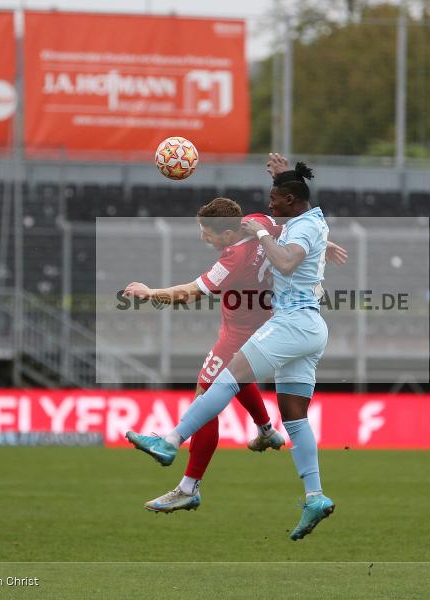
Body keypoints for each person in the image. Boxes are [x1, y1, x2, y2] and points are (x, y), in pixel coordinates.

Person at [127, 160, 335, 540]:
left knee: (219, 384)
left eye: (206, 234)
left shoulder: (240, 252)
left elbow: (193, 292)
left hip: (282, 325)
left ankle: (171, 443)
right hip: (307, 327)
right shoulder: (289, 220)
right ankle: (314, 495)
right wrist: (284, 187)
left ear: (223, 234)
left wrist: (147, 293)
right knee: (295, 417)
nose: (204, 239)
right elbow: (288, 223)